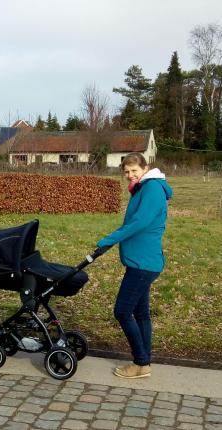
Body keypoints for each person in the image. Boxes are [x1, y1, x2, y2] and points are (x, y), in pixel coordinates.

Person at [97, 153, 173, 379]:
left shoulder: (152, 189)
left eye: (134, 171)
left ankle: (141, 362)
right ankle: (144, 361)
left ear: (145, 168)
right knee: (141, 313)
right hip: (141, 262)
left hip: (144, 263)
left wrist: (108, 240)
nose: (130, 175)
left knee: (122, 311)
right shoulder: (144, 187)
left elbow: (139, 223)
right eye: (126, 172)